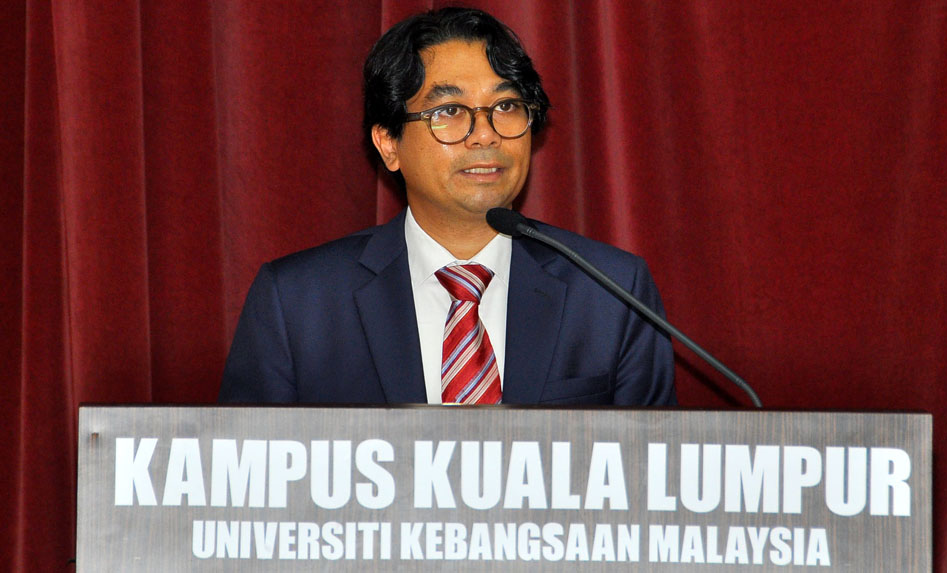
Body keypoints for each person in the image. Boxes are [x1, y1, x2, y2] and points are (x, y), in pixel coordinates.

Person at [219, 7, 676, 406]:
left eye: (507, 106)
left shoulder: (612, 294)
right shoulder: (297, 304)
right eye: (450, 111)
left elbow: (649, 468)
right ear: (389, 144)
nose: (486, 135)